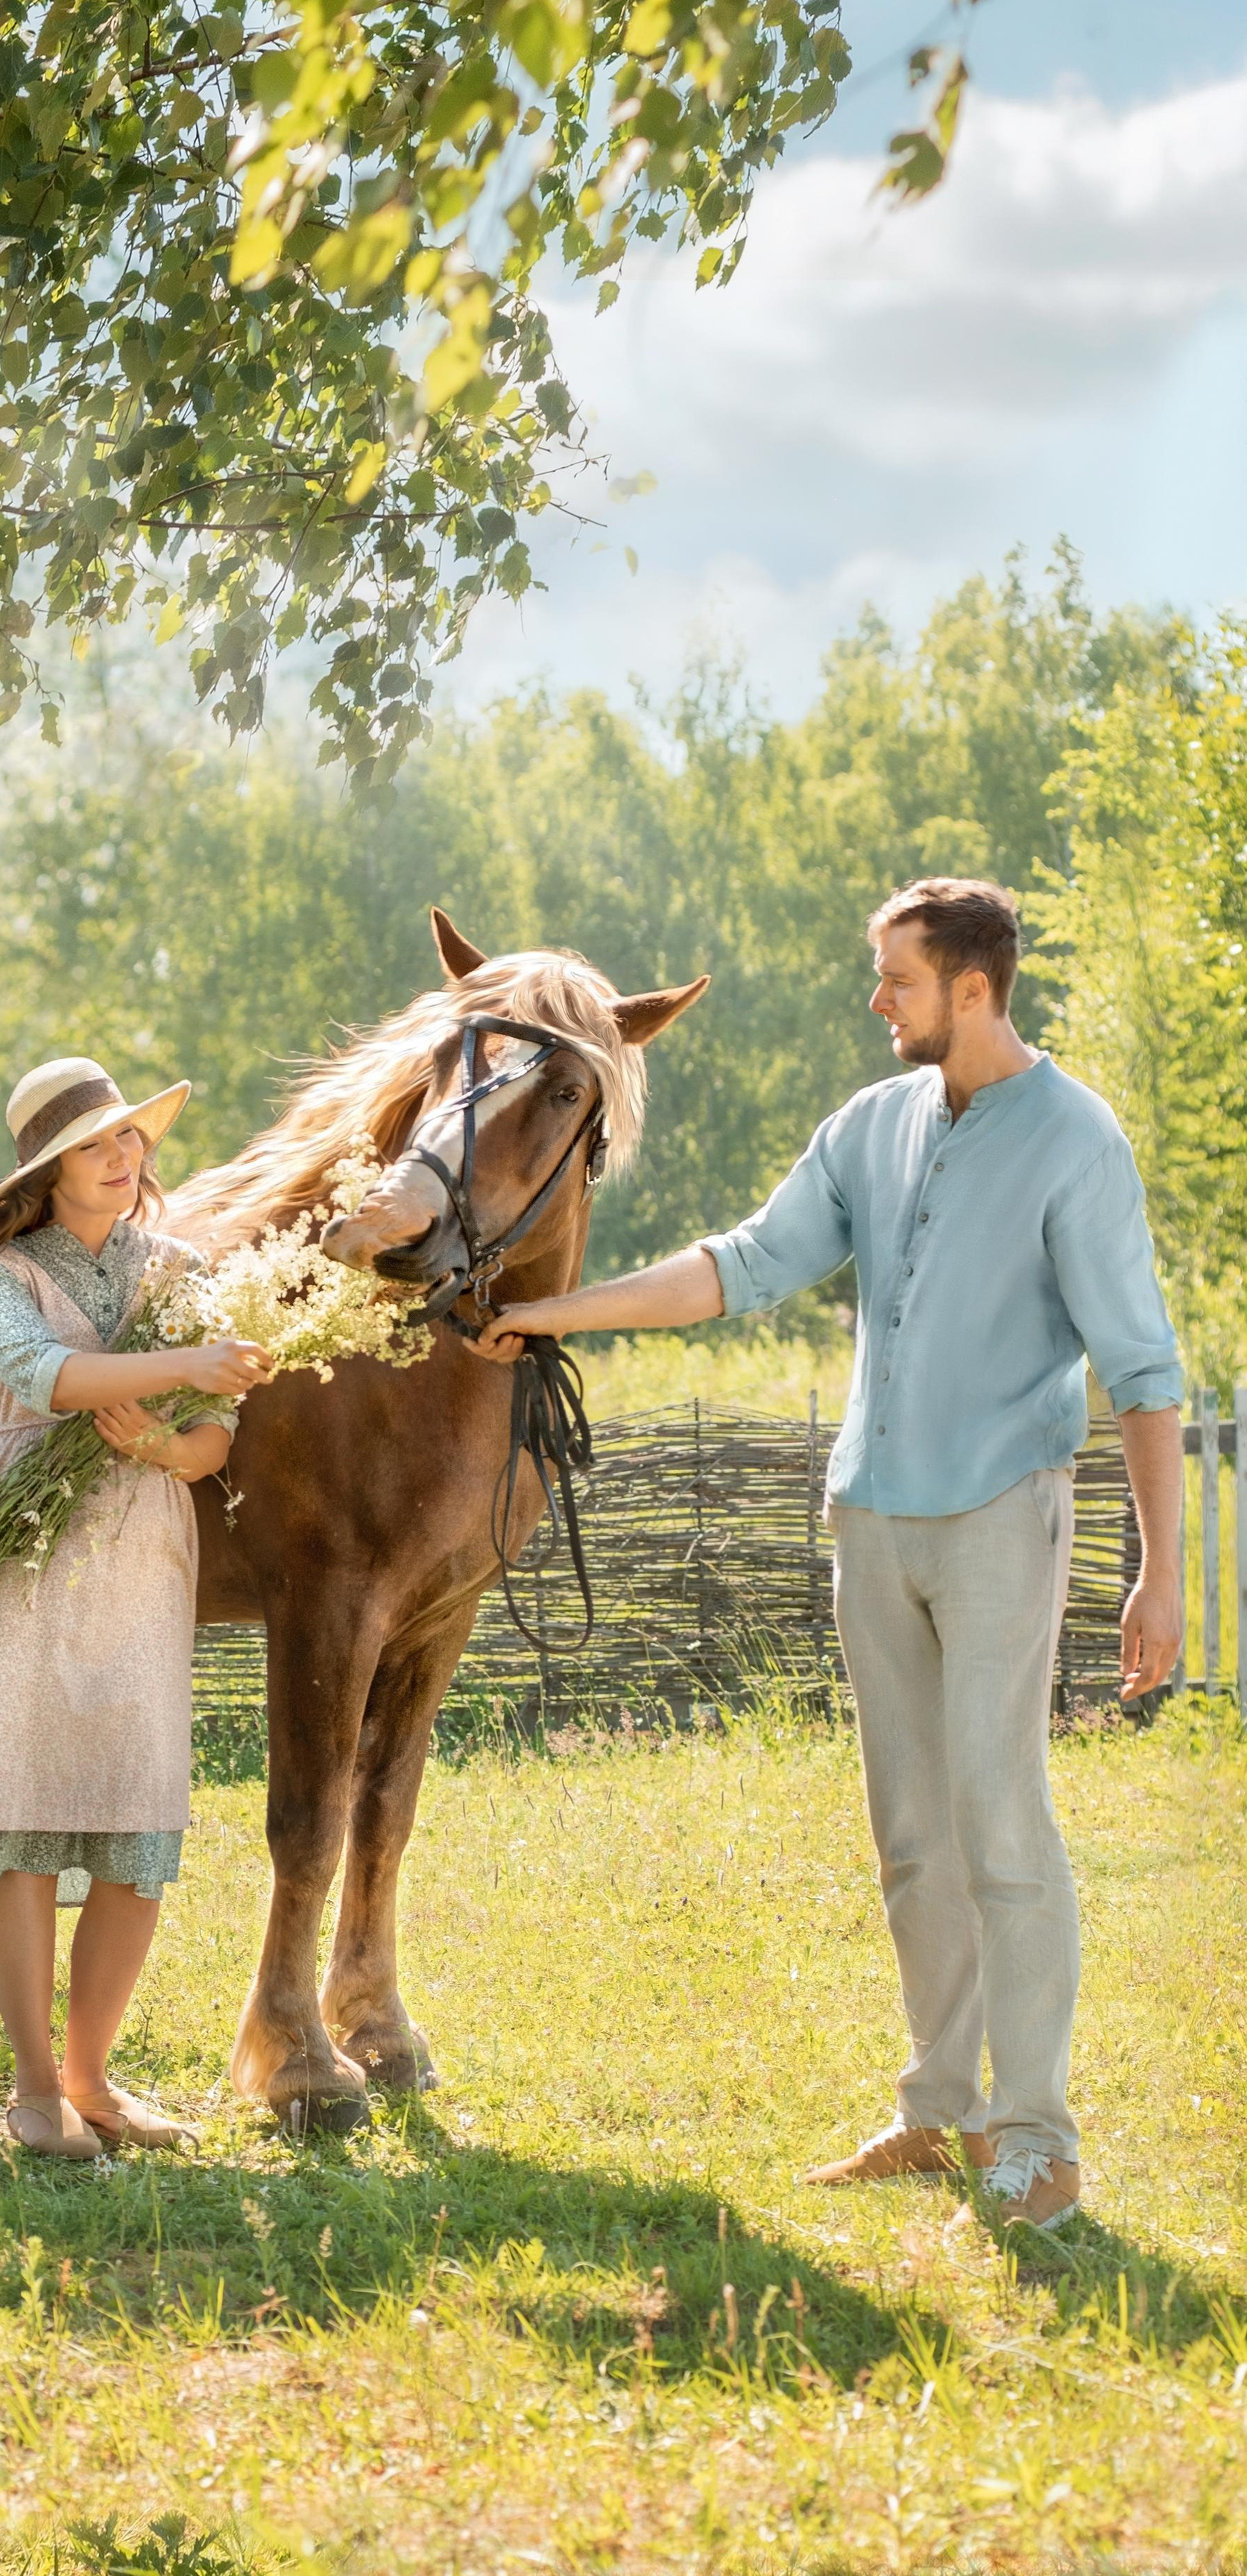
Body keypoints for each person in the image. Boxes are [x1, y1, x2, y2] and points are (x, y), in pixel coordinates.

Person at [470, 879, 1184, 2230]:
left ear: (974, 989)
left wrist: (1164, 1572)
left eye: (897, 981)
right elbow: (740, 1266)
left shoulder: (1076, 1140)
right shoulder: (872, 1124)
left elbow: (1144, 1372)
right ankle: (939, 2112)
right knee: (913, 1835)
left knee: (1002, 1823)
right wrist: (557, 1311)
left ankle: (1037, 2140)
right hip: (871, 1515)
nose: (878, 1003)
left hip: (996, 1517)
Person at [0, 1056, 272, 2159]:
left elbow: (220, 1425)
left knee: (136, 1816)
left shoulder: (179, 1267)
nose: (125, 1159)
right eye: (98, 1145)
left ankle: (96, 2081)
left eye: (132, 1139)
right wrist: (183, 1362)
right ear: (48, 1168)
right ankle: (37, 2092)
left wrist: (175, 1446)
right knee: (27, 1817)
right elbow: (39, 1378)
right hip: (29, 1549)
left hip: (140, 1545)